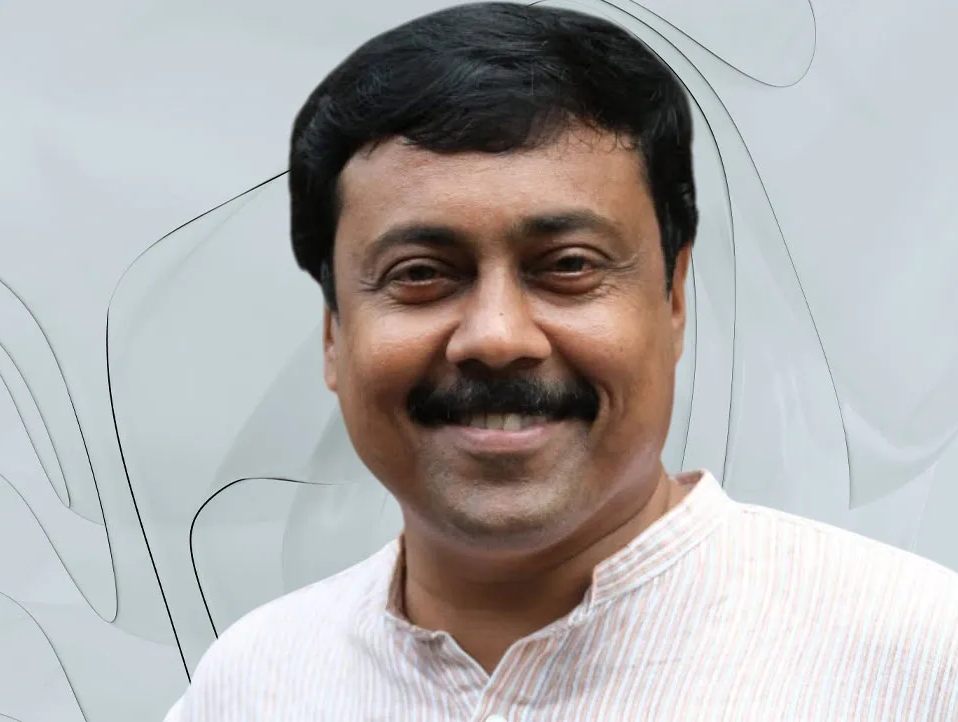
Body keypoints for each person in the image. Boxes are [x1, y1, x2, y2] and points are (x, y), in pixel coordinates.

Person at [164, 3, 958, 719]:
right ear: (334, 333)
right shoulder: (253, 685)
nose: (497, 337)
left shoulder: (919, 667)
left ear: (674, 300)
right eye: (422, 274)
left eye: (569, 266)